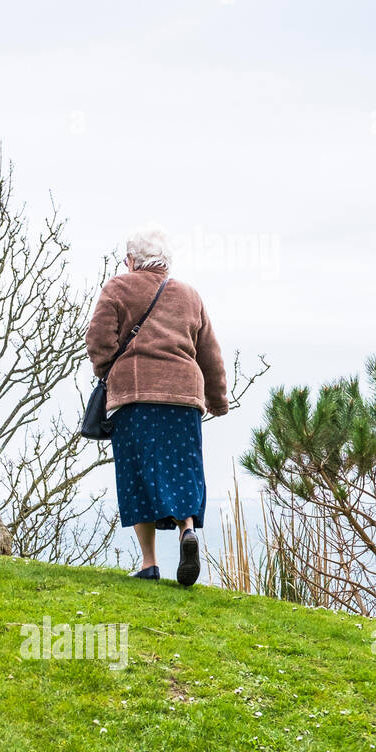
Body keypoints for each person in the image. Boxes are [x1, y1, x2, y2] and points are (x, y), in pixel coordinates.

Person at [85, 224, 228, 586]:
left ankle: (149, 563)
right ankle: (187, 531)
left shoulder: (117, 287)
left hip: (134, 397)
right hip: (183, 398)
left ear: (131, 260)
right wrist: (218, 399)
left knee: (137, 476)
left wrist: (108, 370)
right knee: (182, 469)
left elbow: (98, 339)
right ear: (166, 261)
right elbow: (209, 352)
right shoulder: (190, 295)